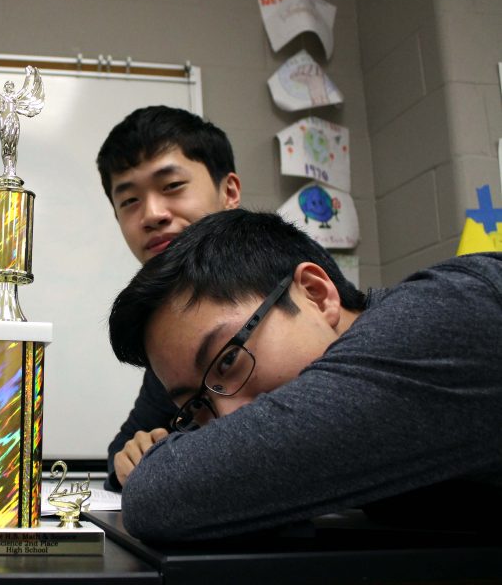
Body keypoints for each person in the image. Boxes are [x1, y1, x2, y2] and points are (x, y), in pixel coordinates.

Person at [108, 209, 502, 541]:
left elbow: (160, 497)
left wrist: (161, 468)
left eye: (228, 360)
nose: (227, 417)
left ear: (316, 294)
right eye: (199, 406)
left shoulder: (447, 317)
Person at [95, 106, 241, 490]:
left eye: (172, 186)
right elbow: (121, 450)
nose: (152, 214)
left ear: (229, 191)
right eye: (129, 201)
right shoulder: (174, 325)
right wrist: (134, 455)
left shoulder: (286, 287)